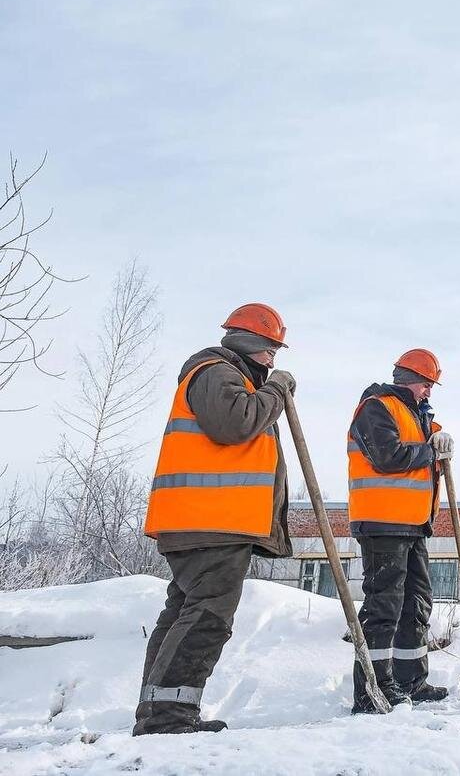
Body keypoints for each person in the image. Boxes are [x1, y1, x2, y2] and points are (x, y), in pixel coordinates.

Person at [133, 303, 296, 735]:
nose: (272, 361)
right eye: (270, 352)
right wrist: (277, 390)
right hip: (209, 523)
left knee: (186, 612)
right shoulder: (217, 372)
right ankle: (167, 717)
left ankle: (159, 710)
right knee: (208, 617)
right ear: (250, 343)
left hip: (205, 523)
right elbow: (235, 424)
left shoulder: (228, 376)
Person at [347, 348, 453, 712]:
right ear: (410, 380)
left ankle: (412, 680)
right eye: (427, 384)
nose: (429, 392)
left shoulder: (417, 416)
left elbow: (421, 465)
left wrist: (436, 447)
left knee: (416, 603)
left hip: (413, 525)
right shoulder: (376, 407)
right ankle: (372, 687)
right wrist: (430, 452)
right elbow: (388, 456)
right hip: (382, 523)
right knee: (384, 606)